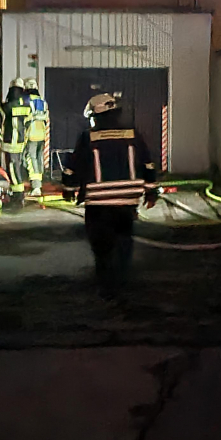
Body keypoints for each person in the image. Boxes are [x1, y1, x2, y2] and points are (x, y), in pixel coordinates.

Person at [61, 93, 158, 299]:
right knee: (124, 239)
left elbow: (73, 167)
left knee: (101, 245)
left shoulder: (88, 137)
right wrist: (151, 191)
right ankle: (123, 281)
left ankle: (106, 286)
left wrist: (68, 189)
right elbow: (148, 164)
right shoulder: (133, 134)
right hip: (128, 200)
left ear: (95, 116)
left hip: (98, 202)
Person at [0, 78, 32, 206]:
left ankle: (18, 196)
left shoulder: (9, 104)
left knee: (12, 168)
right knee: (17, 166)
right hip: (21, 139)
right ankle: (18, 193)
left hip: (10, 140)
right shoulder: (26, 103)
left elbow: (2, 115)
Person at [24, 78, 49, 196]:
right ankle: (39, 183)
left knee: (31, 159)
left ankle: (36, 186)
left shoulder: (26, 101)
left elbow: (25, 118)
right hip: (41, 134)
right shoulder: (43, 101)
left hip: (31, 134)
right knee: (39, 159)